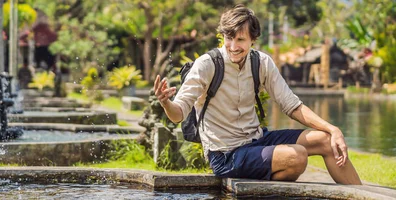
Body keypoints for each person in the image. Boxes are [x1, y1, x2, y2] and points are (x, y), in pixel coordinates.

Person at [153, 5, 361, 184]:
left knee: (326, 140)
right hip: (225, 155)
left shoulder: (261, 62)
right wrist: (166, 103)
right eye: (229, 38)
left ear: (253, 39)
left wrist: (333, 130)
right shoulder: (207, 65)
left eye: (240, 40)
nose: (233, 47)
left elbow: (292, 105)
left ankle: (361, 194)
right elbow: (178, 113)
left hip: (257, 140)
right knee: (296, 157)